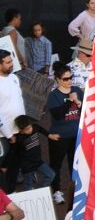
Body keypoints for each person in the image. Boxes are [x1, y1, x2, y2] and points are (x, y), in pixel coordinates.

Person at [47, 64, 83, 204]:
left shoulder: (77, 90)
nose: (69, 81)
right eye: (65, 79)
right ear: (58, 80)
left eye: (71, 78)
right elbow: (57, 115)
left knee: (74, 163)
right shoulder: (53, 95)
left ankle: (75, 190)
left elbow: (85, 110)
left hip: (76, 135)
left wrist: (79, 103)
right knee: (56, 164)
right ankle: (56, 191)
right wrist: (70, 101)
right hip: (59, 136)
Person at [13, 115, 56, 190]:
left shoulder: (34, 127)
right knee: (28, 186)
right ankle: (30, 194)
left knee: (51, 174)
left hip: (38, 161)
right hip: (27, 165)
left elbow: (40, 129)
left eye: (30, 127)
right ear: (20, 130)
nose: (29, 130)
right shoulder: (19, 138)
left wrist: (49, 135)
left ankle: (40, 190)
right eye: (26, 130)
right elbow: (16, 152)